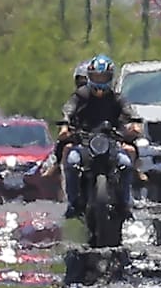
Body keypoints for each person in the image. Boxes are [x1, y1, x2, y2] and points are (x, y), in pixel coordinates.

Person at [59, 54, 140, 219]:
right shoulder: (81, 95)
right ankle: (73, 202)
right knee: (72, 161)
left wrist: (134, 124)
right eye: (97, 76)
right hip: (84, 141)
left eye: (103, 77)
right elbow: (69, 108)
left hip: (111, 141)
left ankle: (125, 203)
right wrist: (65, 124)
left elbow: (129, 110)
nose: (100, 81)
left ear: (110, 78)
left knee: (125, 164)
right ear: (89, 76)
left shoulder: (117, 98)